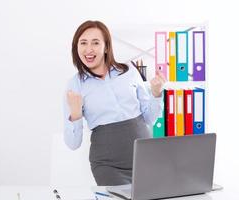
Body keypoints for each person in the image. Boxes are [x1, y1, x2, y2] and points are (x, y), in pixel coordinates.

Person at [63, 20, 166, 186]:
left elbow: (149, 119)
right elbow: (73, 144)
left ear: (106, 47)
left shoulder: (129, 70)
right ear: (76, 47)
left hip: (145, 158)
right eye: (83, 43)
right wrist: (75, 114)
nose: (88, 49)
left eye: (95, 43)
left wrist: (156, 93)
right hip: (108, 166)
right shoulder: (74, 85)